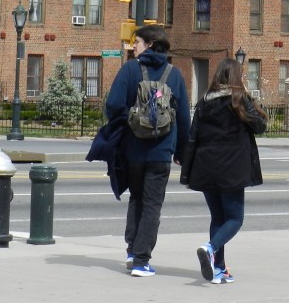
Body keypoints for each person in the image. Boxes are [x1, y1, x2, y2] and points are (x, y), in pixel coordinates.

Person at [104, 24, 190, 277]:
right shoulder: (174, 74)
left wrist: (126, 126)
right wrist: (181, 151)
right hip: (161, 152)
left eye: (137, 41)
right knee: (153, 204)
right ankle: (142, 260)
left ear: (151, 44)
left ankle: (132, 251)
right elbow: (184, 117)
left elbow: (113, 105)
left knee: (137, 198)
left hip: (133, 150)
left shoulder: (130, 69)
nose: (133, 46)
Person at [185, 57, 267, 284]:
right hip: (231, 169)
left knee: (217, 218)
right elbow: (260, 126)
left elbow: (193, 138)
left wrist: (187, 173)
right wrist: (250, 97)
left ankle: (218, 268)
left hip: (205, 167)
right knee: (234, 218)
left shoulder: (204, 102)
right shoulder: (239, 100)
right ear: (236, 77)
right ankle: (209, 248)